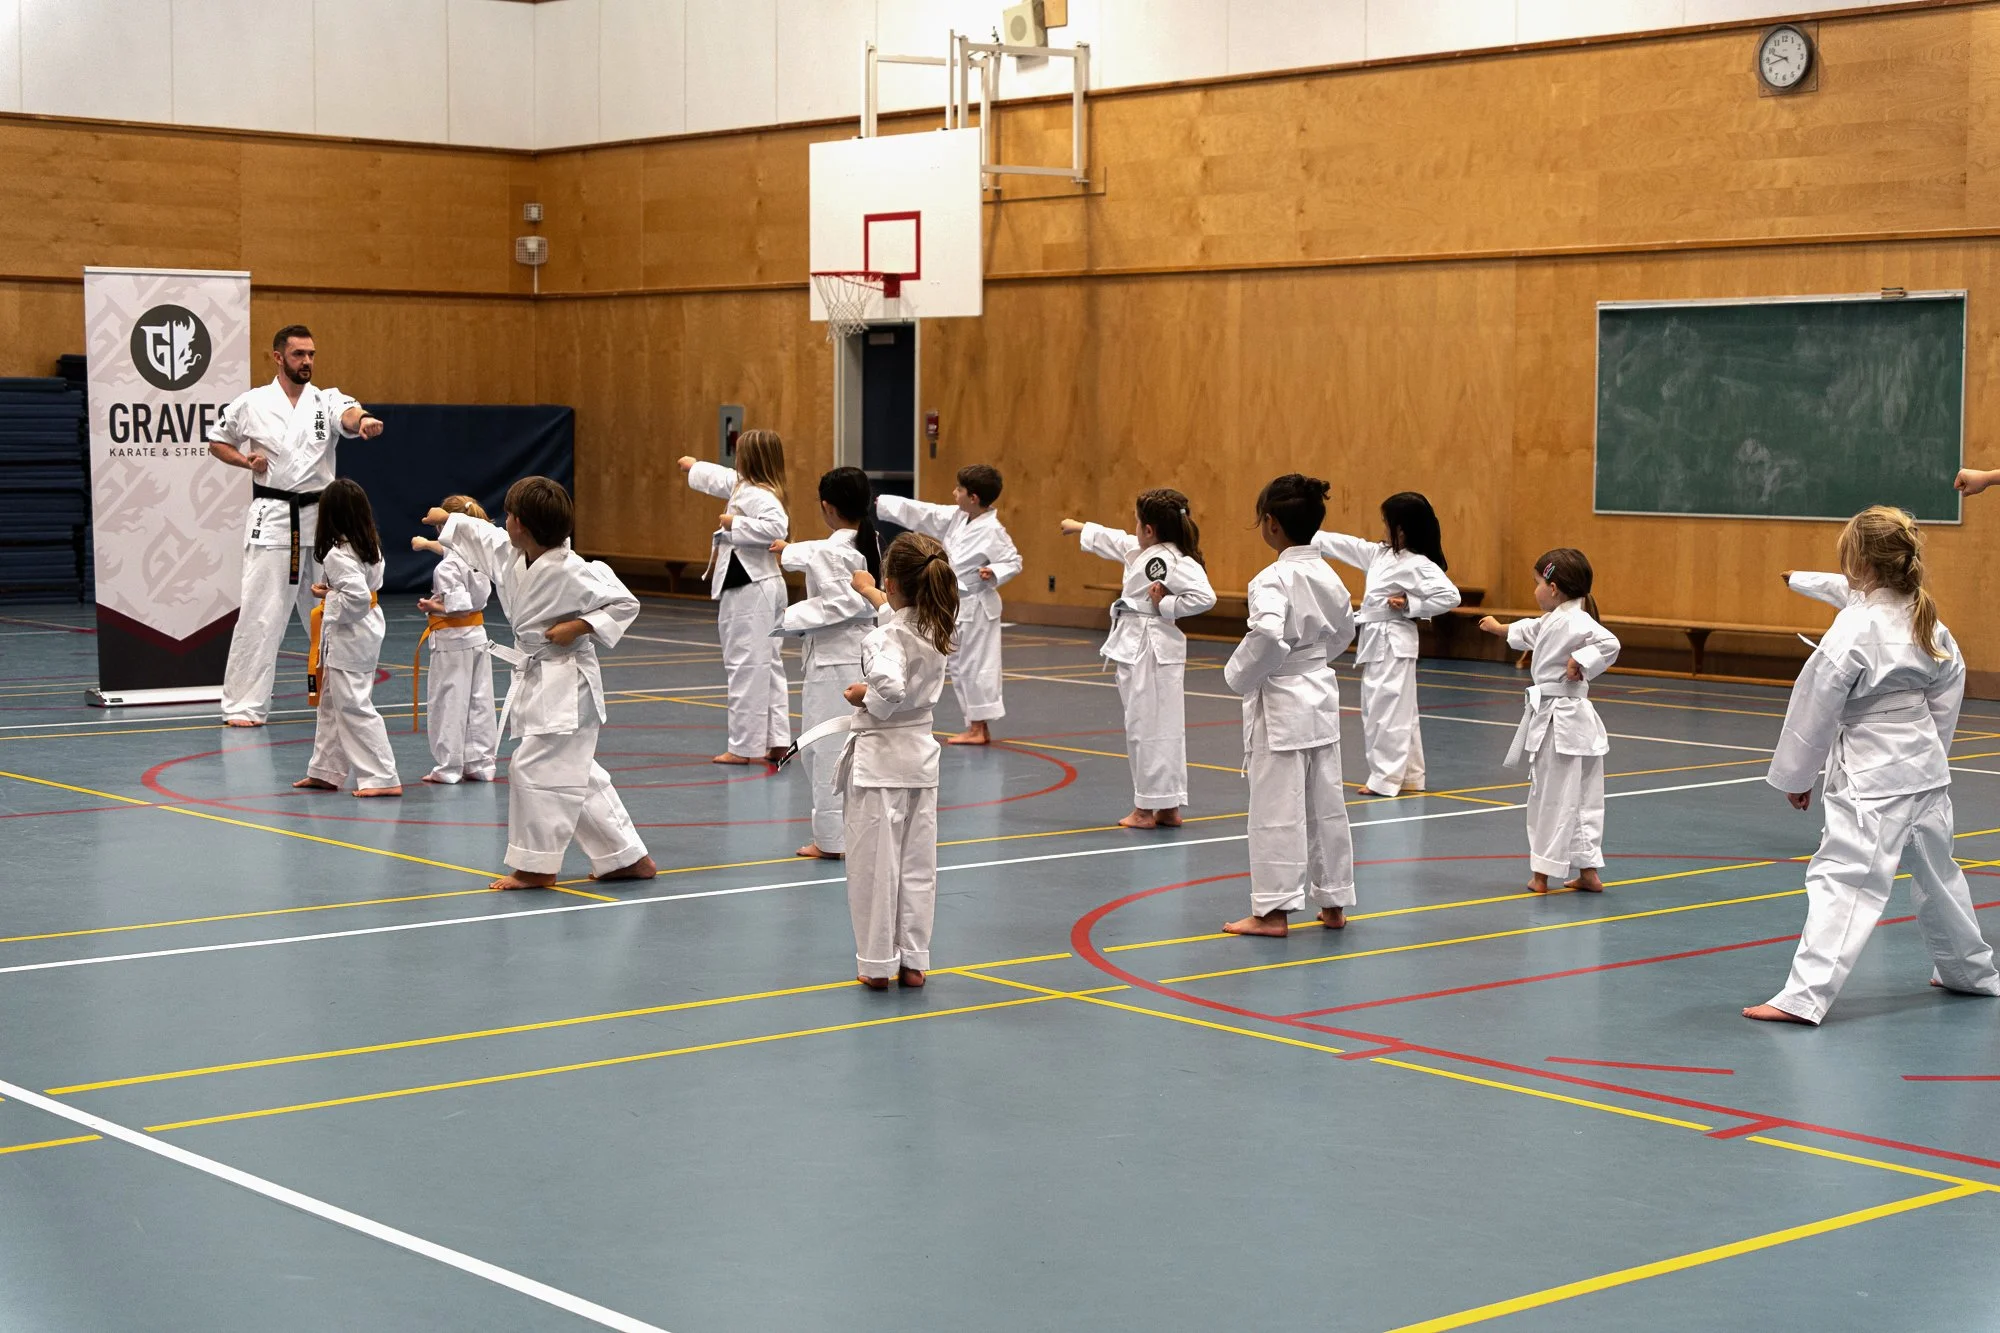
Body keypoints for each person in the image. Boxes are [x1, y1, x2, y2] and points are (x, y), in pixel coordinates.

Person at [1744, 507, 2000, 1024]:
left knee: (1843, 879)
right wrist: (1931, 748)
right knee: (1939, 876)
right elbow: (1947, 692)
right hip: (1924, 771)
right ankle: (1969, 972)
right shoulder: (1927, 621)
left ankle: (1803, 997)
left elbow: (1815, 703)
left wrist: (1799, 776)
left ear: (1857, 562)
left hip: (1870, 777)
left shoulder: (1855, 627)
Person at [426, 477, 656, 891]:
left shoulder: (573, 570)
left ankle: (536, 866)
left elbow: (625, 603)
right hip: (539, 675)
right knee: (577, 773)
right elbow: (482, 536)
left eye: (509, 515)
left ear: (522, 525)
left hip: (568, 681)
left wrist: (579, 625)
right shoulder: (512, 554)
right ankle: (625, 858)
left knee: (532, 766)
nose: (505, 521)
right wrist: (449, 519)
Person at [207, 325, 385, 727]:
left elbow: (349, 414)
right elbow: (217, 441)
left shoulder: (326, 399)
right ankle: (244, 705)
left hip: (323, 521)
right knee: (261, 614)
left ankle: (341, 697)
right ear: (278, 357)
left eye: (311, 355)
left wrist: (364, 421)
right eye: (298, 354)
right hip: (273, 518)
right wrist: (244, 461)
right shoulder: (252, 402)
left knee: (333, 610)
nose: (307, 362)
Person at [1222, 474, 1358, 938]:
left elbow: (1266, 633)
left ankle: (1273, 912)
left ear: (1271, 523)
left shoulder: (1272, 578)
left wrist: (1239, 675)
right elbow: (1345, 631)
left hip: (1281, 700)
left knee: (1276, 808)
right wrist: (1311, 660)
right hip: (1319, 692)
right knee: (1326, 804)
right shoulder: (1329, 574)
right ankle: (1334, 901)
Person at [1060, 489, 1217, 829]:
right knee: (1162, 727)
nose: (1132, 529)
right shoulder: (1146, 551)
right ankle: (1168, 807)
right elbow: (1116, 540)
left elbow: (1205, 597)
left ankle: (1145, 809)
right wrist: (1080, 527)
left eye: (1136, 523)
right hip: (1145, 646)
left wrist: (1166, 605)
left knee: (1145, 727)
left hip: (1150, 646)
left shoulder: (1172, 561)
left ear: (1148, 529)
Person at [840, 533, 957, 989]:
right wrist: (870, 590)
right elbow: (899, 617)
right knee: (916, 866)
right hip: (920, 761)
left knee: (875, 868)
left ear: (893, 583)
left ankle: (875, 965)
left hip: (880, 766)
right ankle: (913, 961)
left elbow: (889, 687)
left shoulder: (883, 638)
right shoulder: (938, 627)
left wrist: (862, 695)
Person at [1478, 550, 1621, 895]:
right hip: (1577, 724)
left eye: (1536, 583)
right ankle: (1588, 871)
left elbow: (1610, 643)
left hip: (1560, 722)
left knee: (1550, 796)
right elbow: (1530, 629)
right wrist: (1499, 628)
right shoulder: (1558, 620)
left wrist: (1579, 660)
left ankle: (1541, 874)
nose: (1535, 590)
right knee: (1584, 798)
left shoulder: (1576, 622)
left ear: (1553, 588)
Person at [1312, 493, 1461, 796]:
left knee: (1386, 710)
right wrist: (1305, 531)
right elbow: (1345, 545)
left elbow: (1450, 596)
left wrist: (1411, 603)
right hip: (1378, 638)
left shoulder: (1417, 563)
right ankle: (1411, 777)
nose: (1383, 527)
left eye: (1387, 522)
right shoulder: (1379, 554)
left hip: (1393, 640)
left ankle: (1385, 778)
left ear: (1402, 528)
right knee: (1398, 710)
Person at [771, 467, 881, 860]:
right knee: (843, 747)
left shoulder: (834, 552)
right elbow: (826, 555)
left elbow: (843, 602)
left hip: (837, 663)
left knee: (825, 749)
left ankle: (832, 840)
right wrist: (789, 551)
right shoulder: (868, 540)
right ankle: (848, 833)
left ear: (826, 507)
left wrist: (787, 617)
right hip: (854, 655)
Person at [875, 465, 1021, 745]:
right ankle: (976, 726)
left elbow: (1013, 561)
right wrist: (883, 503)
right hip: (955, 603)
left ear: (973, 498)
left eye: (959, 489)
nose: (954, 493)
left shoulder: (994, 531)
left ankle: (978, 727)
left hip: (978, 606)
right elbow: (924, 512)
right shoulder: (958, 517)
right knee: (959, 665)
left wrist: (994, 571)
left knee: (977, 666)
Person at [679, 435, 791, 764]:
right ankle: (777, 740)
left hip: (750, 588)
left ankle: (743, 747)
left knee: (745, 664)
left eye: (739, 454)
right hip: (761, 584)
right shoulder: (747, 486)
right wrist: (694, 467)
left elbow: (777, 529)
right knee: (767, 664)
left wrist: (735, 523)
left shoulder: (759, 495)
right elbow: (722, 478)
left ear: (750, 459)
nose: (735, 460)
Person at [291, 478, 400, 797]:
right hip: (363, 629)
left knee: (353, 705)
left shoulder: (338, 554)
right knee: (330, 703)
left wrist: (328, 597)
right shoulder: (368, 545)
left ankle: (383, 776)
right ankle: (325, 771)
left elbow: (356, 597)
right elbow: (361, 590)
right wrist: (331, 591)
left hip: (351, 633)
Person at [410, 495, 498, 784]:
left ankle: (448, 767)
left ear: (443, 527)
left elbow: (457, 605)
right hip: (477, 637)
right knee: (479, 701)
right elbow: (450, 549)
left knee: (448, 702)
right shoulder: (479, 556)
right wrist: (426, 544)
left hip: (452, 640)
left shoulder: (446, 568)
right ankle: (481, 763)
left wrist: (432, 605)